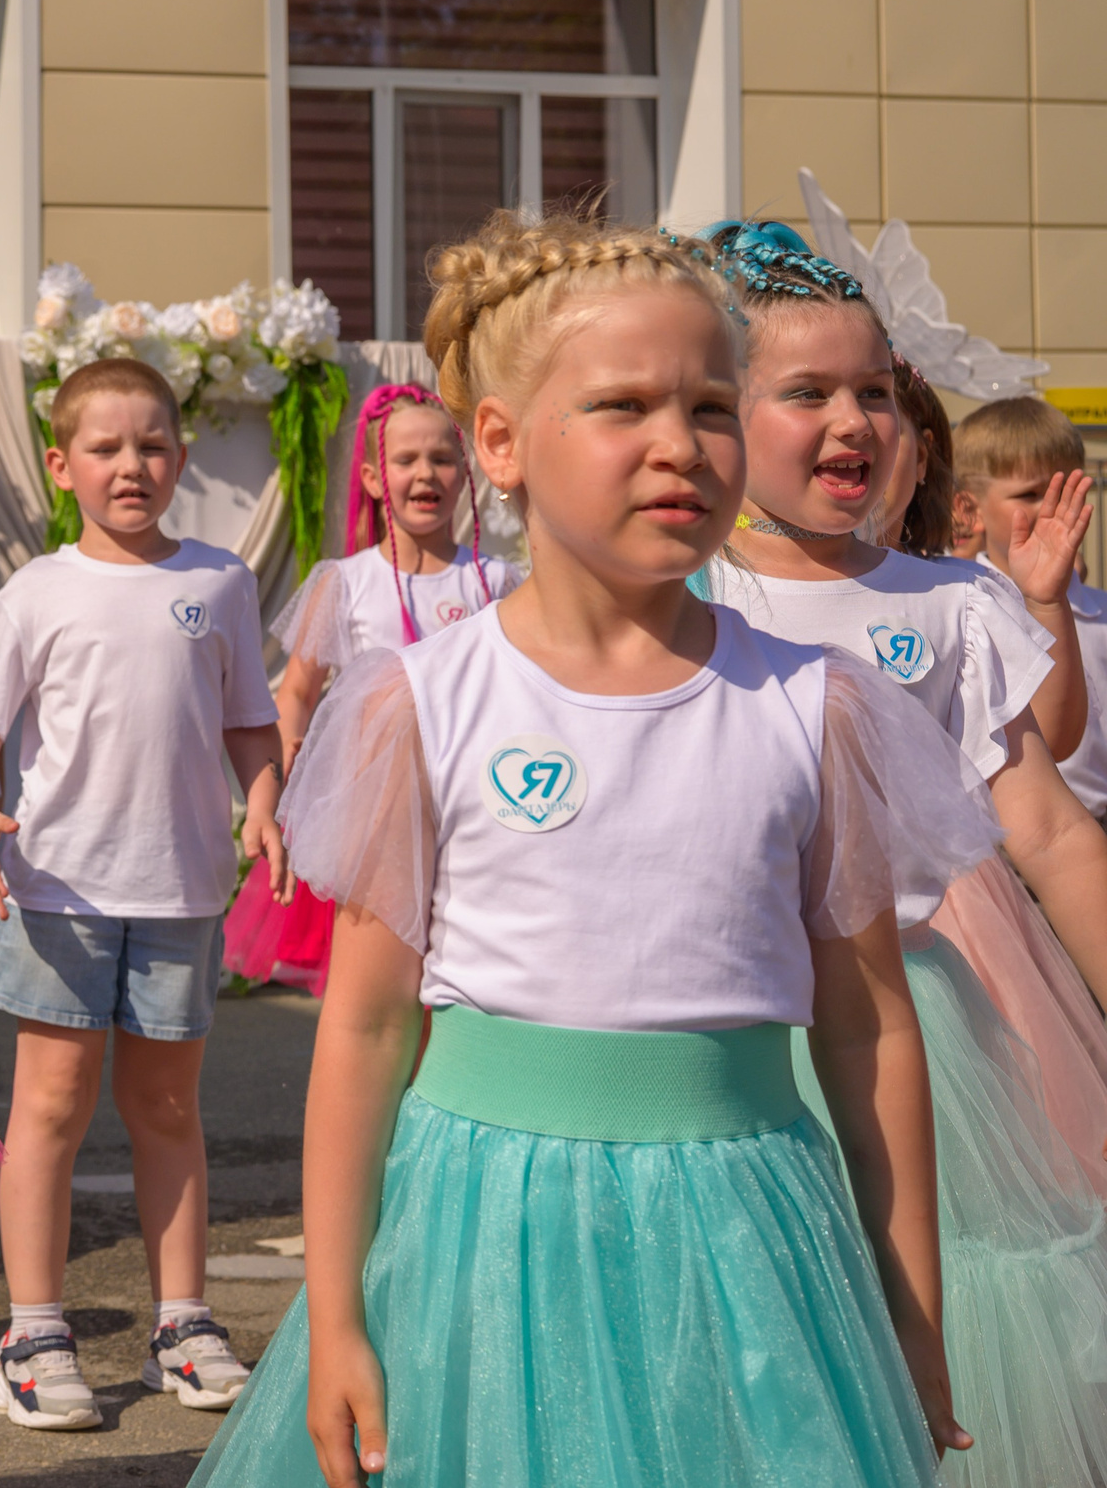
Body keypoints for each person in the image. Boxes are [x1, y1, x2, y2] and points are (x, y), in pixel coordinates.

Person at [192, 213, 968, 1488]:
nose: (681, 445)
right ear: (498, 440)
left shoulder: (814, 707)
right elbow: (369, 1027)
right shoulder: (423, 703)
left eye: (712, 406)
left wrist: (914, 1309)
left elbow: (870, 1021)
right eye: (622, 404)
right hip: (485, 1245)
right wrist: (333, 1314)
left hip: (754, 1245)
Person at [689, 222, 1107, 1484]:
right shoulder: (685, 591)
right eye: (804, 392)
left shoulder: (943, 601)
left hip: (912, 1030)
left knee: (939, 1314)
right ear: (724, 410)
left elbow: (1047, 827)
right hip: (724, 1024)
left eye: (872, 389)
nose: (850, 420)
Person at [0, 356, 285, 1429]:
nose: (130, 463)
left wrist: (265, 798)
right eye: (105, 446)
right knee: (48, 1105)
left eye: (151, 444)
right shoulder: (32, 590)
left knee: (166, 1106)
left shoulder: (220, 582)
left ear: (180, 458)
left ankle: (180, 1323)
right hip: (56, 887)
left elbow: (247, 720)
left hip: (182, 887)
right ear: (61, 464)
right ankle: (32, 1331)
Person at [227, 383, 520, 995]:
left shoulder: (497, 581)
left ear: (465, 472)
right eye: (406, 460)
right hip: (370, 813)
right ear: (371, 477)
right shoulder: (344, 582)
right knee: (373, 981)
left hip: (468, 796)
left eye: (442, 458)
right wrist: (279, 801)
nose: (426, 474)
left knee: (458, 964)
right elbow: (298, 697)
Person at [954, 395, 1107, 815]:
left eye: (1065, 489)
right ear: (969, 509)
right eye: (1030, 493)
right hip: (1003, 838)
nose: (1050, 508)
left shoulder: (1101, 612)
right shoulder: (962, 607)